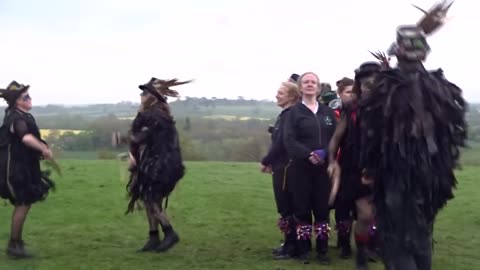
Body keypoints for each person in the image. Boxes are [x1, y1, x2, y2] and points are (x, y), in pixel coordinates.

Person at [359, 3, 466, 269]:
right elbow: (451, 135)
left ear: (398, 52)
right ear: (425, 56)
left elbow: (373, 134)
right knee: (421, 235)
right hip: (431, 179)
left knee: (396, 240)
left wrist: (370, 168)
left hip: (395, 177)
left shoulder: (384, 87)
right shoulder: (442, 88)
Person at [125, 77, 190, 253]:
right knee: (149, 199)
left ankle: (169, 232)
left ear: (153, 96)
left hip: (162, 165)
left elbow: (140, 137)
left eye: (145, 92)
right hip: (155, 162)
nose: (141, 95)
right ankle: (154, 237)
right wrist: (134, 155)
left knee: (151, 199)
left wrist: (121, 139)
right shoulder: (151, 113)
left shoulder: (156, 115)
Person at [328, 63, 381, 269]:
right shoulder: (351, 108)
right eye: (365, 83)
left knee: (382, 215)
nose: (369, 86)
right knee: (365, 215)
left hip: (385, 169)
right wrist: (332, 160)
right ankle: (361, 254)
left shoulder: (391, 108)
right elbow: (336, 138)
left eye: (373, 82)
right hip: (355, 169)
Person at [283, 72, 336, 264]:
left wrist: (325, 153)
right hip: (301, 169)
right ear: (300, 87)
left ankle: (323, 250)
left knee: (322, 210)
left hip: (323, 170)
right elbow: (288, 139)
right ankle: (304, 249)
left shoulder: (327, 113)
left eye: (313, 82)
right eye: (306, 82)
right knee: (302, 209)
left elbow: (336, 138)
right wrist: (308, 154)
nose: (310, 84)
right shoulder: (293, 113)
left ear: (319, 87)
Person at [0, 81, 56, 259]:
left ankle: (15, 243)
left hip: (25, 166)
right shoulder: (16, 118)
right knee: (23, 203)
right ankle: (14, 245)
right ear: (18, 101)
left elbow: (31, 137)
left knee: (24, 204)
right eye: (26, 97)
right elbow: (25, 138)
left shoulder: (25, 116)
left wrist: (43, 147)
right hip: (16, 169)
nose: (30, 99)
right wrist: (43, 149)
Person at [261, 81, 301, 259]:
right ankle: (289, 243)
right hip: (280, 166)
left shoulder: (290, 115)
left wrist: (266, 160)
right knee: (285, 207)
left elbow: (281, 143)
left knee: (287, 207)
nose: (277, 95)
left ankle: (292, 247)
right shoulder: (284, 115)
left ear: (292, 96)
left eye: (281, 93)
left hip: (286, 168)